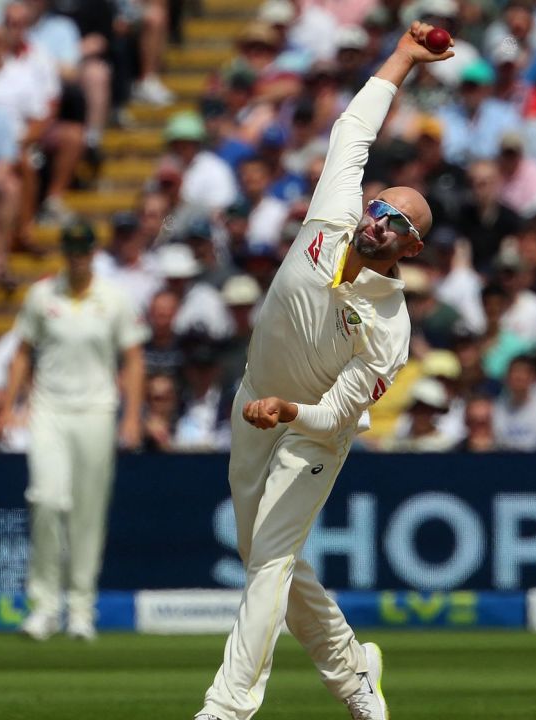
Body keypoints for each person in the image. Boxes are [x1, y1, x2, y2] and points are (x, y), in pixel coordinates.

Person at [193, 24, 453, 720]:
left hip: (310, 434)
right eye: (381, 207)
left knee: (270, 562)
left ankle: (228, 707)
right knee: (261, 555)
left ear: (413, 248)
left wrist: (288, 413)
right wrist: (401, 57)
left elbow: (341, 412)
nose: (380, 222)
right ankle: (352, 672)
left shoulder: (390, 324)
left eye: (398, 222)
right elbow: (354, 128)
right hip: (254, 400)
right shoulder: (331, 216)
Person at [3, 221, 146, 641]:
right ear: (64, 252)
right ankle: (45, 607)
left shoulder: (114, 298)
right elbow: (22, 353)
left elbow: (133, 358)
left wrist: (132, 416)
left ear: (92, 253)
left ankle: (81, 609)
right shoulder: (41, 296)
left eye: (84, 250)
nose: (77, 258)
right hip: (49, 408)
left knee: (87, 511)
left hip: (97, 410)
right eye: (71, 250)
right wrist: (12, 404)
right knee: (46, 499)